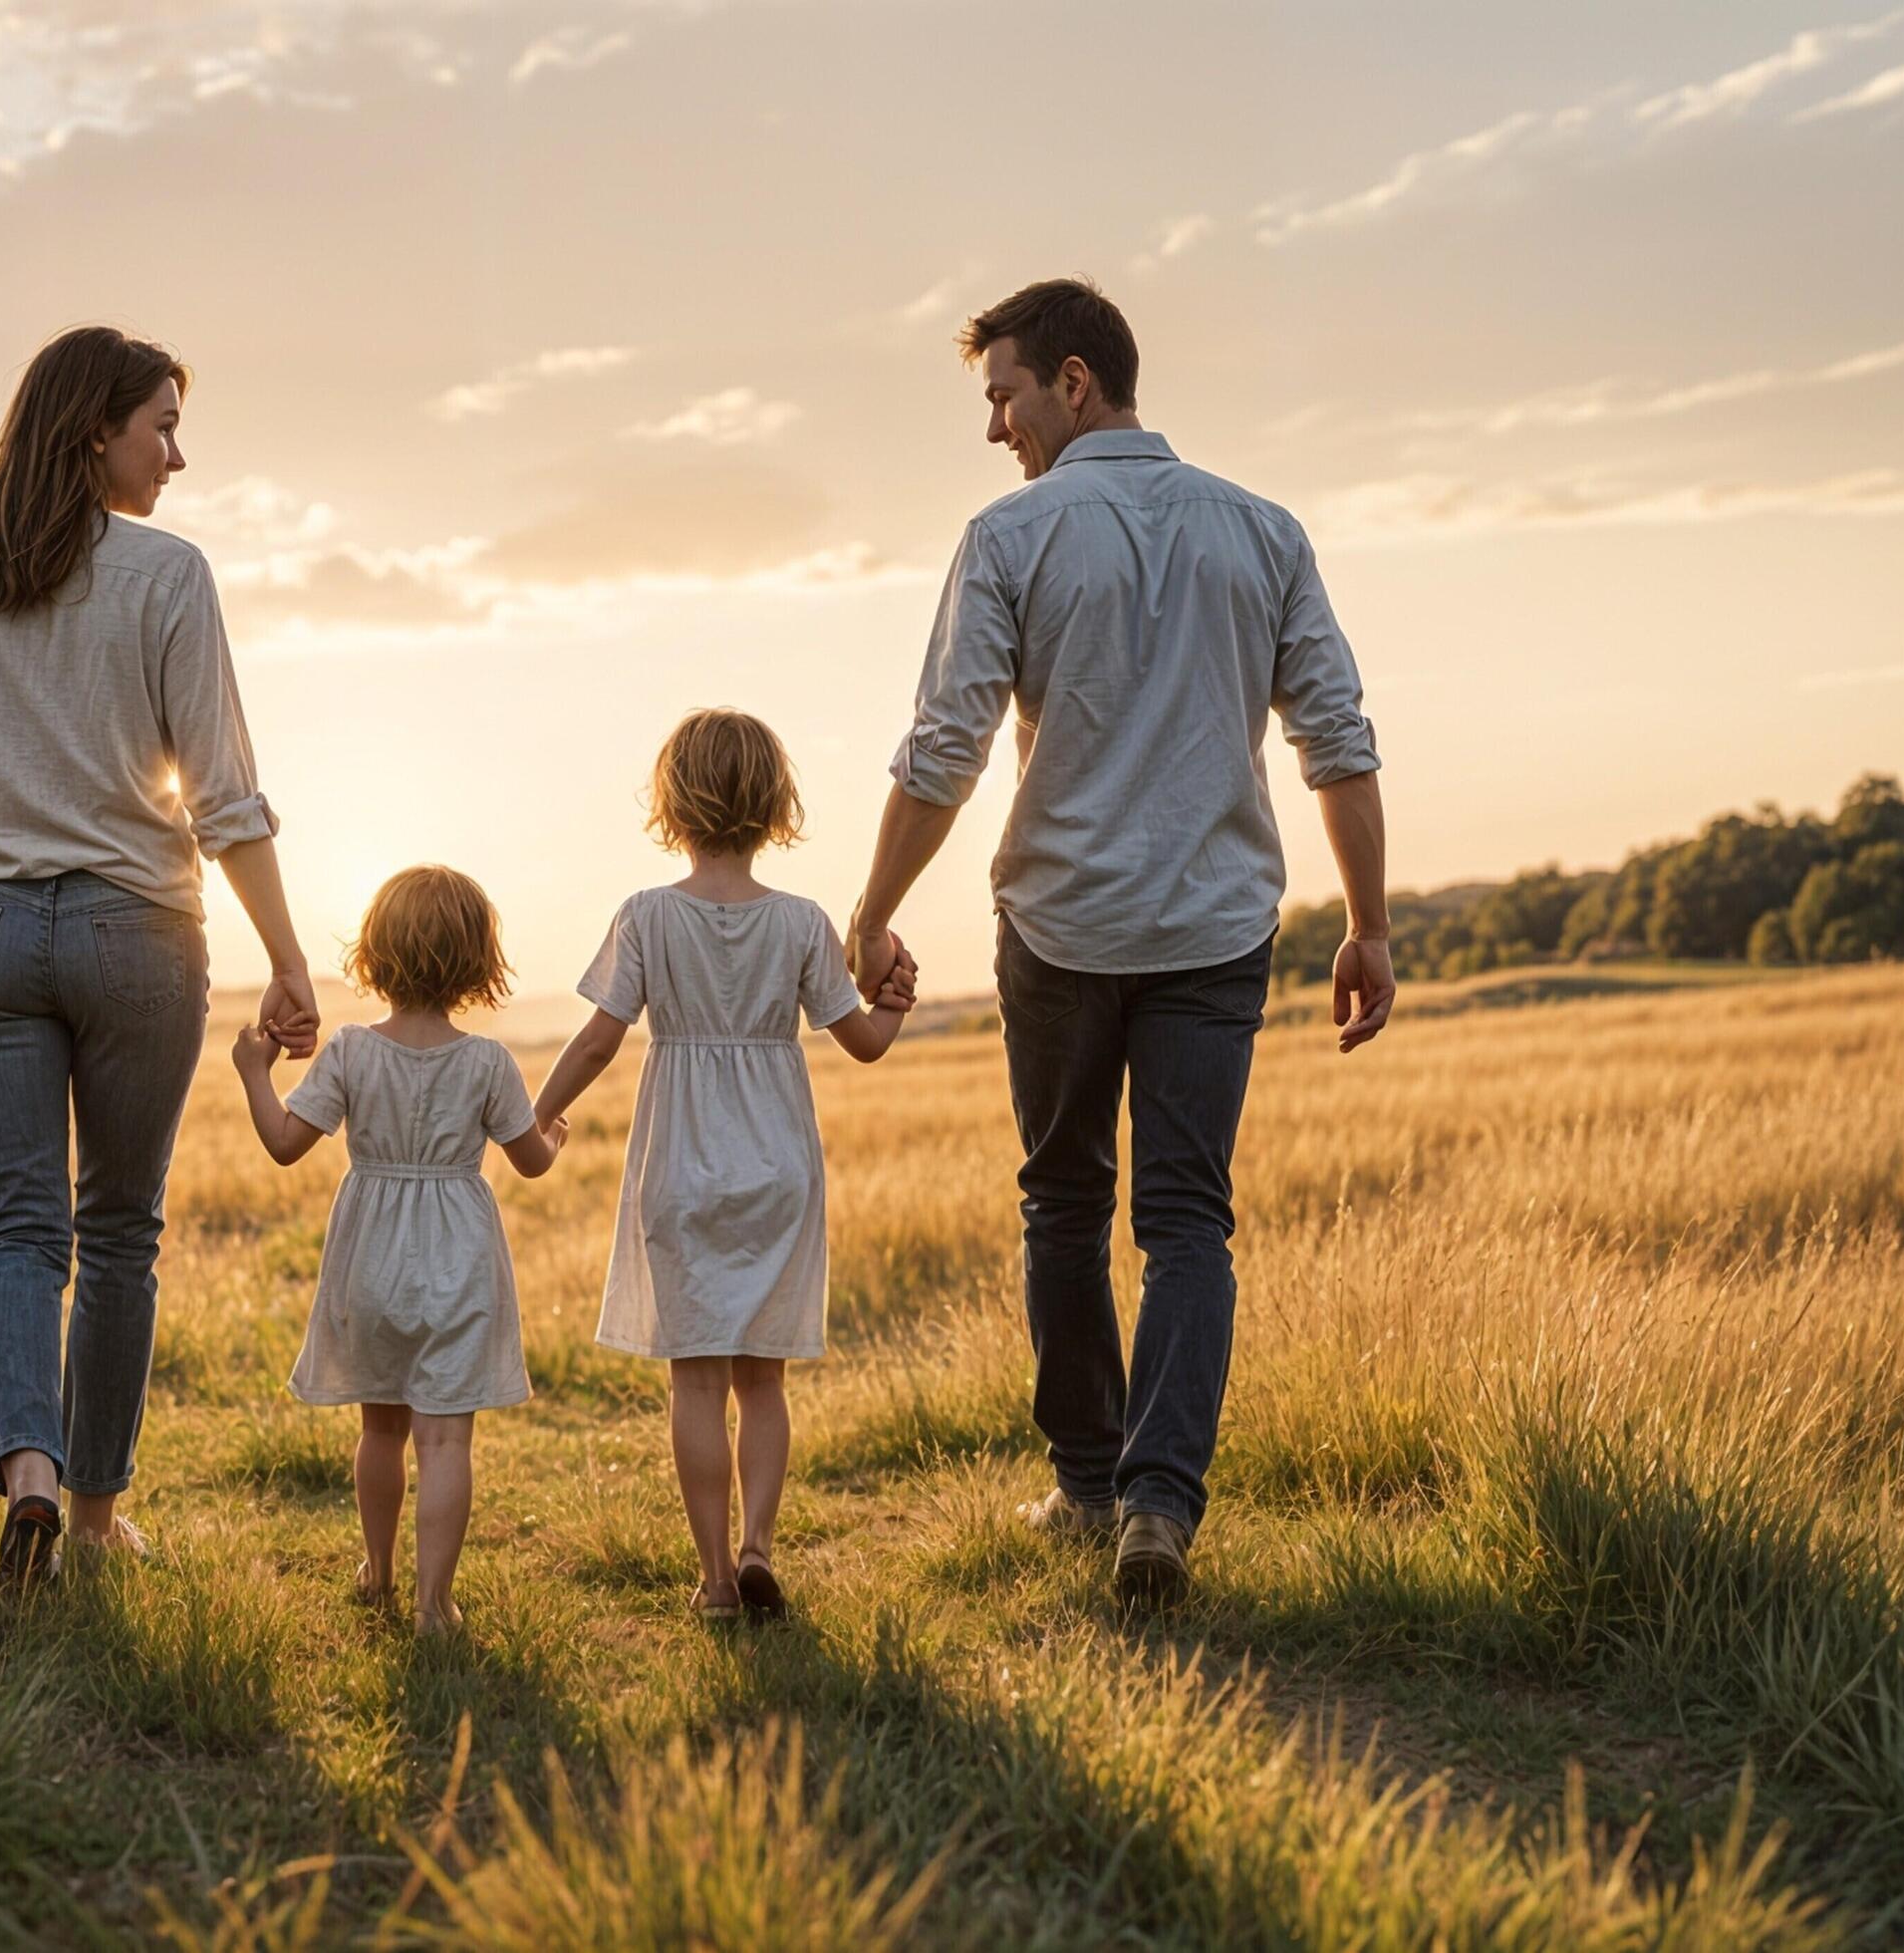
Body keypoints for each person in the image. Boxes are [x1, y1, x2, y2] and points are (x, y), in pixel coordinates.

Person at [846, 278, 1395, 1614]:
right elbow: (1335, 737)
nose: (994, 430)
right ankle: (1159, 1503)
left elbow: (943, 748)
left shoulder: (1011, 534)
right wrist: (1367, 924)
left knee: (1063, 1204)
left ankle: (1089, 1485)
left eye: (1002, 396)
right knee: (1187, 1221)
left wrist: (870, 911)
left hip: (1058, 924)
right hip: (1213, 930)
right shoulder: (1261, 531)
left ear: (1072, 383)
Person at [0, 324, 321, 1592]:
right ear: (93, 433)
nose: (178, 456)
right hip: (137, 931)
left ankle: (24, 1471)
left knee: (15, 1228)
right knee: (118, 1229)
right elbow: (224, 793)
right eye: (160, 427)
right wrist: (286, 956)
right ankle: (93, 1516)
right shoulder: (168, 575)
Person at [533, 708, 918, 1623]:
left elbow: (596, 1041)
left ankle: (711, 1582)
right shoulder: (800, 923)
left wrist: (538, 1112)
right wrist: (896, 999)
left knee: (696, 1381)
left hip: (681, 1163)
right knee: (764, 1381)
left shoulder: (647, 916)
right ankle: (756, 1548)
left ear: (673, 800)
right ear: (771, 803)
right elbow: (861, 1041)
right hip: (779, 1168)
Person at [230, 866, 563, 1635]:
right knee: (445, 1436)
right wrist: (553, 1134)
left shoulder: (350, 1050)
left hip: (370, 1259)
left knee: (379, 1429)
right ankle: (433, 1604)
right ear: (478, 960)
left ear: (375, 952)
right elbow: (531, 1160)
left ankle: (378, 1573)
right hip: (459, 1261)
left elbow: (285, 1143)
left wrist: (255, 1074)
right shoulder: (486, 1063)